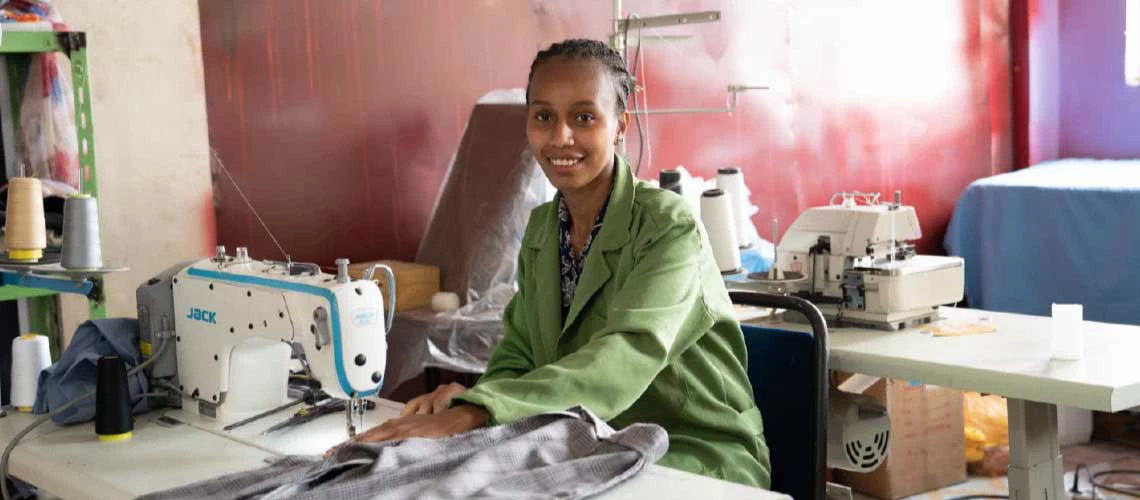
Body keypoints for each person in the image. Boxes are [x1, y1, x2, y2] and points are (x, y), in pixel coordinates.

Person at [344, 38, 771, 488]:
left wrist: (480, 410)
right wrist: (478, 396)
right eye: (544, 116)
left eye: (584, 117)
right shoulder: (543, 230)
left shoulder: (668, 226)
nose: (560, 136)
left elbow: (622, 359)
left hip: (692, 453)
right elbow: (518, 356)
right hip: (592, 442)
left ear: (621, 125)